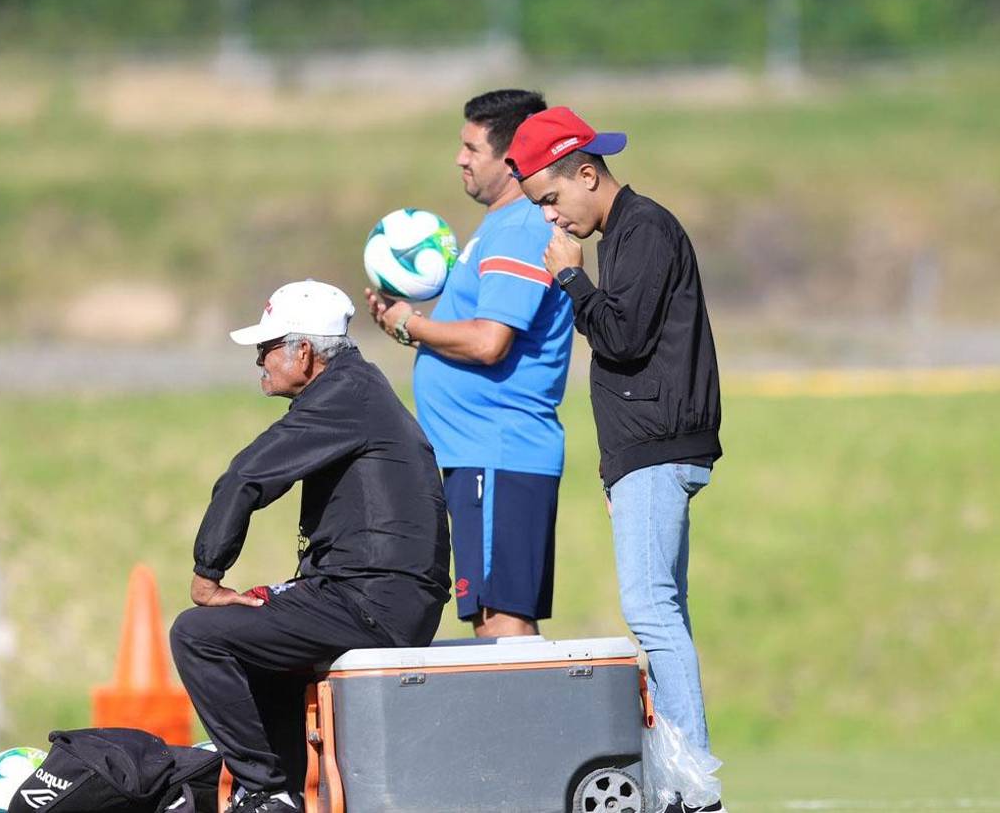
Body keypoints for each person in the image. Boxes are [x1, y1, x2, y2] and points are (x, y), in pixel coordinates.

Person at [507, 108, 726, 812]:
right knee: (666, 612)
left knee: (650, 609)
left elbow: (623, 338)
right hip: (647, 452)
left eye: (550, 198)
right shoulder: (628, 234)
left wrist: (572, 281)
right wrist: (617, 467)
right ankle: (678, 779)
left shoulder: (643, 230)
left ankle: (692, 786)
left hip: (659, 450)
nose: (552, 218)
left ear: (587, 172)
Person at [170, 280, 451, 813]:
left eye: (267, 348)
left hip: (372, 602)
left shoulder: (344, 397)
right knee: (257, 637)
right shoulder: (355, 389)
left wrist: (208, 577)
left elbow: (245, 478)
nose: (260, 361)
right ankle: (292, 787)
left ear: (304, 351)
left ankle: (266, 792)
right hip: (379, 594)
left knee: (199, 634)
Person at [365, 89, 573, 638]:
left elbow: (489, 342)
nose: (459, 158)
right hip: (481, 457)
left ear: (510, 159)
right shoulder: (500, 229)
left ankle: (531, 727)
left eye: (470, 147)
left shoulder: (519, 229)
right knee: (489, 616)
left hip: (496, 453)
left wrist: (410, 326)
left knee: (502, 620)